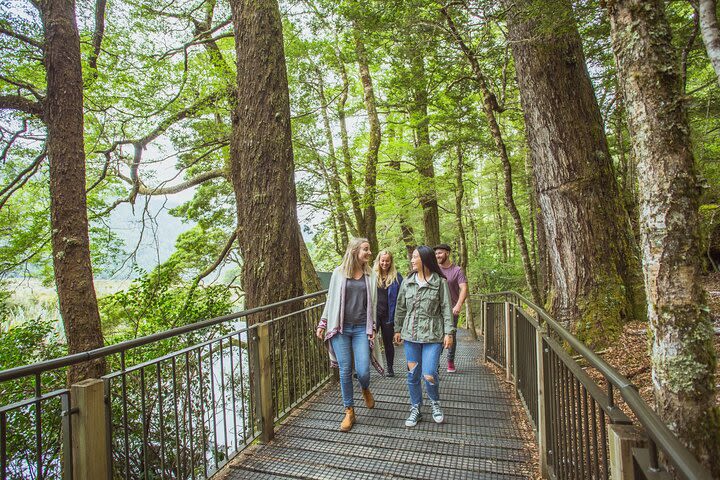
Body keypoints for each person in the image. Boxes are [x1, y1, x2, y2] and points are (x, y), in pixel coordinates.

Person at [316, 238, 379, 432]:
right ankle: (349, 411)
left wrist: (372, 329)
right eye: (365, 250)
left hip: (361, 328)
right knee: (344, 370)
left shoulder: (370, 275)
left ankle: (365, 387)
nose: (369, 253)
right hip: (340, 328)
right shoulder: (338, 273)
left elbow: (373, 304)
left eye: (369, 250)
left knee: (363, 371)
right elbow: (331, 300)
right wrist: (323, 323)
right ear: (354, 251)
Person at [393, 245, 454, 427]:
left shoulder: (439, 282)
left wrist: (448, 333)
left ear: (425, 260)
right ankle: (416, 408)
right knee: (413, 375)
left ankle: (435, 403)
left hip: (433, 336)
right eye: (411, 257)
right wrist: (397, 329)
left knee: (429, 373)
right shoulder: (407, 282)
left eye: (415, 257)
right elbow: (400, 307)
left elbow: (446, 310)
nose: (412, 260)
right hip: (411, 336)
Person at [434, 243, 468, 373]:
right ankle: (435, 362)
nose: (438, 255)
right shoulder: (434, 269)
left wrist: (459, 304)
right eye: (436, 253)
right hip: (436, 309)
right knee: (437, 336)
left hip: (451, 309)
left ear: (447, 253)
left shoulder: (457, 270)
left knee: (451, 334)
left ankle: (450, 360)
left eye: (440, 253)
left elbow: (463, 288)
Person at [373, 250, 403, 377]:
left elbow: (402, 297)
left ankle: (390, 368)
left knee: (387, 342)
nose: (385, 263)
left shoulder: (397, 277)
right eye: (382, 260)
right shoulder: (372, 275)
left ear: (391, 262)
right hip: (374, 314)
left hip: (389, 315)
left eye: (387, 261)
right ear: (379, 261)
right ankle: (364, 368)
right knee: (369, 341)